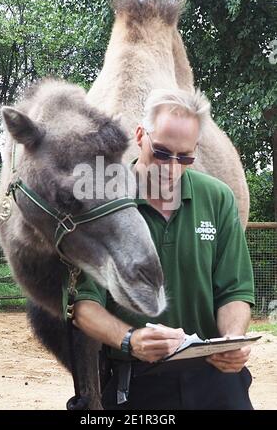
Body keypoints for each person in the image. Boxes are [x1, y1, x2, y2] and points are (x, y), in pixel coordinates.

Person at [72, 87, 255, 410]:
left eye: (185, 157)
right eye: (162, 152)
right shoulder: (103, 205)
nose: (171, 168)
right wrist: (131, 340)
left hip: (215, 379)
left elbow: (234, 292)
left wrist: (231, 340)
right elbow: (85, 308)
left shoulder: (218, 199)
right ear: (140, 136)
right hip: (139, 381)